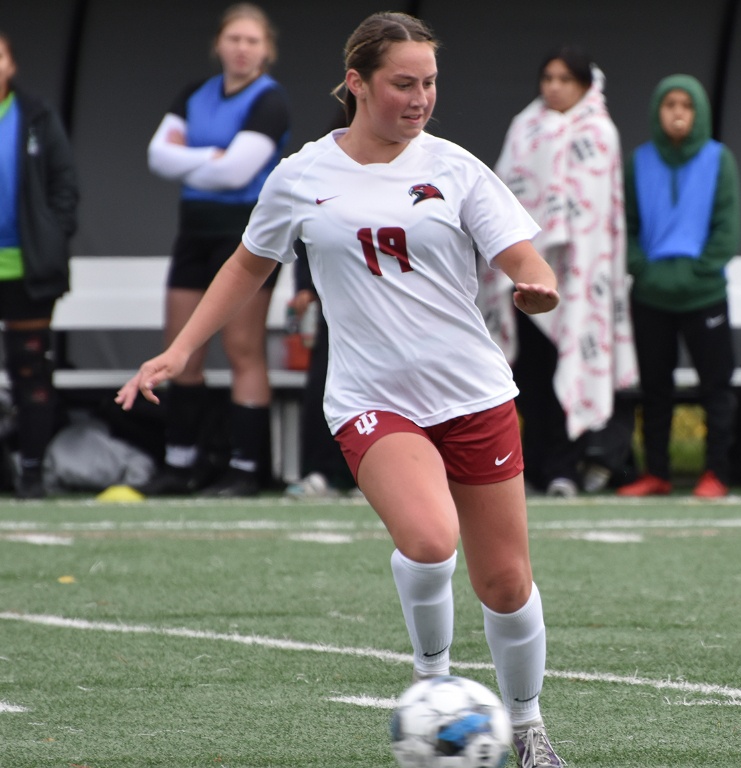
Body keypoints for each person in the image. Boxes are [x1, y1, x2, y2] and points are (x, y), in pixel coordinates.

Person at [118, 12, 566, 768]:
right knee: (428, 540)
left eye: (429, 82)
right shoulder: (301, 176)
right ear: (357, 82)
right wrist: (180, 349)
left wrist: (535, 285)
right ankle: (433, 686)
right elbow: (246, 266)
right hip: (369, 396)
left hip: (473, 394)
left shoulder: (455, 168)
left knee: (505, 582)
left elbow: (525, 257)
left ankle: (527, 729)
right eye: (403, 83)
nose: (420, 98)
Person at [143, 2, 289, 497]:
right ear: (219, 45)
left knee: (243, 348)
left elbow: (238, 173)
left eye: (252, 41)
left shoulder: (270, 101)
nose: (242, 49)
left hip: (245, 235)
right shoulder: (194, 94)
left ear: (266, 50)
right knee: (181, 346)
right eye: (234, 39)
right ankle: (183, 462)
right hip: (193, 231)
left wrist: (191, 160)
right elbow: (156, 158)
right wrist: (212, 155)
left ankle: (247, 468)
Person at [479, 45, 636, 498]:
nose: (553, 87)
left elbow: (602, 217)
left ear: (585, 85)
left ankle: (565, 467)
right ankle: (534, 464)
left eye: (565, 79)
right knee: (528, 373)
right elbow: (502, 194)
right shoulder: (524, 128)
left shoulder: (599, 133)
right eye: (548, 78)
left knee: (570, 368)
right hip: (525, 274)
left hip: (579, 280)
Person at [615, 75, 740, 499]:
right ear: (657, 112)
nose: (678, 112)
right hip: (650, 294)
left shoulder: (718, 159)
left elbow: (726, 231)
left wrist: (697, 273)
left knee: (715, 387)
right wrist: (644, 270)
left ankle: (718, 473)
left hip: (704, 294)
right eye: (669, 104)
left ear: (699, 111)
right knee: (654, 389)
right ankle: (657, 473)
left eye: (686, 104)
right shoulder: (638, 162)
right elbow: (625, 228)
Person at [0, 31, 78, 499]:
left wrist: (52, 236)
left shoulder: (36, 115)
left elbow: (64, 185)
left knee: (30, 370)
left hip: (26, 270)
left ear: (12, 63)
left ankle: (31, 473)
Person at [283, 240, 356, 498]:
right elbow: (309, 228)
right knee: (323, 385)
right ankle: (320, 472)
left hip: (390, 301)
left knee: (386, 389)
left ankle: (369, 476)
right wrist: (306, 284)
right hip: (336, 303)